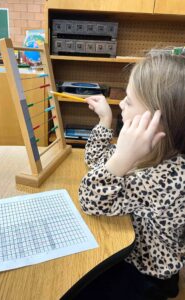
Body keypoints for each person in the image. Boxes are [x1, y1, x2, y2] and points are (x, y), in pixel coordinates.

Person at [78, 52, 185, 300]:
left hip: (146, 270)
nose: (120, 104)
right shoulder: (149, 152)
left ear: (157, 121)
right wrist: (106, 120)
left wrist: (122, 158)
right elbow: (96, 162)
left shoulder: (166, 175)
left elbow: (91, 200)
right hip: (134, 251)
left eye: (128, 100)